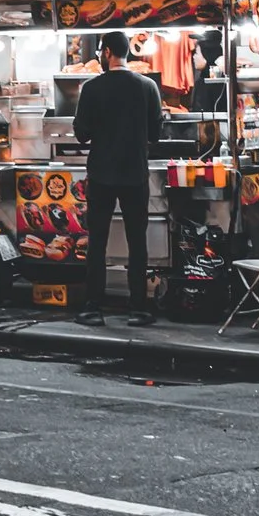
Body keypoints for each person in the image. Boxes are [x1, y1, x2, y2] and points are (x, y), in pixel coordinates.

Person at [74, 28, 164, 323]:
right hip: (135, 174)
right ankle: (138, 307)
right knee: (137, 242)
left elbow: (81, 135)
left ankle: (92, 307)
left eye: (101, 51)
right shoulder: (148, 86)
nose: (100, 56)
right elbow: (156, 134)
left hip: (101, 174)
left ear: (108, 52)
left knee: (97, 241)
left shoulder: (91, 88)